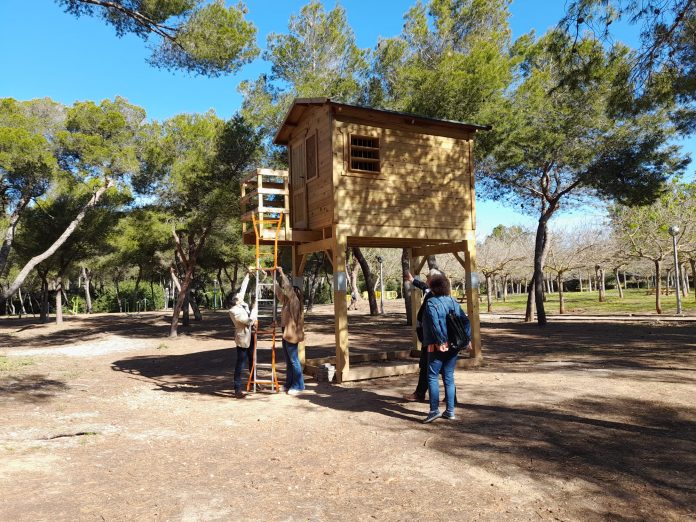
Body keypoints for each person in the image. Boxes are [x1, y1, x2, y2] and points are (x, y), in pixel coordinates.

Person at [421, 273, 471, 423]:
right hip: (455, 344)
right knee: (449, 377)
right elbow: (466, 321)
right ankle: (450, 411)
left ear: (434, 288)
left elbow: (435, 324)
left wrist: (441, 341)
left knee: (432, 376)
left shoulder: (431, 303)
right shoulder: (453, 301)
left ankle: (434, 410)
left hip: (437, 346)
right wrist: (466, 339)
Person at [403, 268, 442, 402]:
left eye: (428, 279)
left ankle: (421, 395)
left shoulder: (434, 296)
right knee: (438, 368)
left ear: (433, 281)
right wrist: (412, 280)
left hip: (432, 338)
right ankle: (449, 398)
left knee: (428, 367)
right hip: (429, 338)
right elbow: (424, 286)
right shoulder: (431, 291)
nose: (426, 281)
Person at [274, 266, 305, 395]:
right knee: (289, 362)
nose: (290, 292)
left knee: (294, 361)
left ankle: (299, 385)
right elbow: (279, 292)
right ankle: (289, 384)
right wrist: (273, 277)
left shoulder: (295, 302)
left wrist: (281, 273)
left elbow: (288, 288)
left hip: (292, 336)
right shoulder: (287, 302)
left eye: (293, 291)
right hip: (285, 334)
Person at [228, 271, 257, 399]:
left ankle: (252, 382)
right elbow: (248, 321)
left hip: (250, 336)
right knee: (240, 363)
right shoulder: (234, 311)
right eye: (238, 297)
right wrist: (255, 309)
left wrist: (247, 275)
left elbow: (243, 289)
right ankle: (237, 388)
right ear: (235, 300)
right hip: (243, 339)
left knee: (252, 360)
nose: (241, 296)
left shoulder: (241, 304)